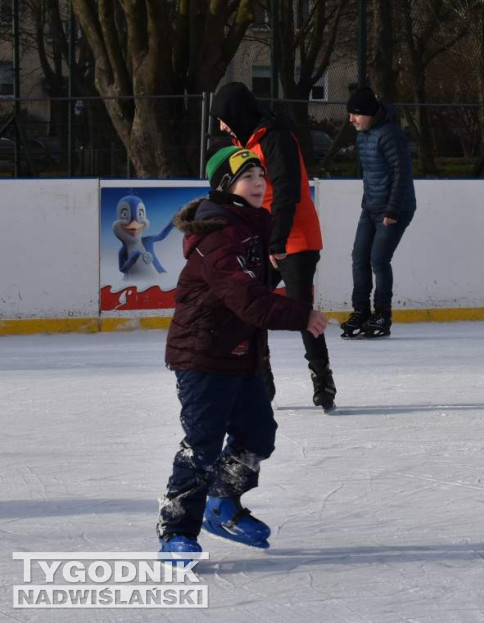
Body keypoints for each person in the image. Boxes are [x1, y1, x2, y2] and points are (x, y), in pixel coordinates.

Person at [158, 146, 329, 554]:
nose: (258, 183)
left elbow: (256, 288)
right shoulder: (218, 234)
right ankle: (177, 533)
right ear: (225, 186)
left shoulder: (253, 225)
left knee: (257, 435)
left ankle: (221, 503)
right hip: (203, 355)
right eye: (246, 176)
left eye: (260, 176)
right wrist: (300, 314)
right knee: (202, 446)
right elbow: (246, 297)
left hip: (241, 353)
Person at [210, 82, 335, 411]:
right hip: (265, 237)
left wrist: (277, 241)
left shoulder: (276, 137)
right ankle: (261, 380)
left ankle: (322, 379)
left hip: (295, 237)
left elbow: (287, 191)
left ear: (237, 113)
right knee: (250, 308)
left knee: (299, 309)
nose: (221, 127)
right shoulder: (243, 143)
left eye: (223, 119)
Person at [340, 87, 416, 338]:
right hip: (371, 207)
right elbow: (371, 174)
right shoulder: (363, 135)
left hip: (395, 208)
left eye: (356, 114)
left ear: (370, 113)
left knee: (378, 260)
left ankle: (382, 314)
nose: (351, 119)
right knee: (359, 257)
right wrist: (367, 202)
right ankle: (361, 311)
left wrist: (392, 209)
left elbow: (401, 174)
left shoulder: (390, 134)